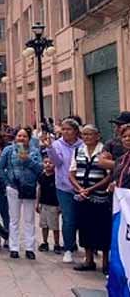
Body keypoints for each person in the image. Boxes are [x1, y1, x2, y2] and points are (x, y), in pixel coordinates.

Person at [69, 125, 112, 274]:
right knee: (85, 227)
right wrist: (79, 188)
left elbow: (109, 175)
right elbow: (72, 173)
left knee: (103, 229)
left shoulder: (104, 152)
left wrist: (92, 189)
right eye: (84, 134)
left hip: (100, 197)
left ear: (97, 136)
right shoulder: (78, 151)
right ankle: (89, 260)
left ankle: (106, 262)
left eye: (89, 134)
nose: (86, 137)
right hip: (82, 196)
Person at [0, 127, 42, 260]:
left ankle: (30, 248)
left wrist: (27, 160)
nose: (21, 139)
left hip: (29, 188)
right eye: (19, 136)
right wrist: (8, 182)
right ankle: (14, 247)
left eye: (24, 136)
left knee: (29, 219)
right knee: (14, 219)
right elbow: (0, 168)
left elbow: (40, 169)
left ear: (29, 138)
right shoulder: (9, 150)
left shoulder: (34, 151)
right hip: (14, 188)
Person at [41, 117, 82, 263]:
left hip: (82, 187)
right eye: (63, 129)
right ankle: (68, 248)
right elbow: (57, 163)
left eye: (68, 129)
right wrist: (50, 148)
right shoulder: (57, 144)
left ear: (76, 131)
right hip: (64, 186)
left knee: (81, 218)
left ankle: (86, 245)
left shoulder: (82, 145)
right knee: (68, 218)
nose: (65, 132)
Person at [36, 156, 62, 254]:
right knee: (44, 225)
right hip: (43, 204)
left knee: (54, 226)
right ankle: (45, 242)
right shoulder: (41, 176)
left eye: (50, 162)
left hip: (54, 205)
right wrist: (37, 203)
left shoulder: (56, 177)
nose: (48, 164)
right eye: (45, 162)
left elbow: (58, 191)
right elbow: (39, 190)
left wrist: (60, 205)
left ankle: (56, 244)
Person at [110, 124, 130, 189]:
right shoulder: (120, 160)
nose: (127, 139)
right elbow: (117, 179)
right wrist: (113, 185)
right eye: (124, 136)